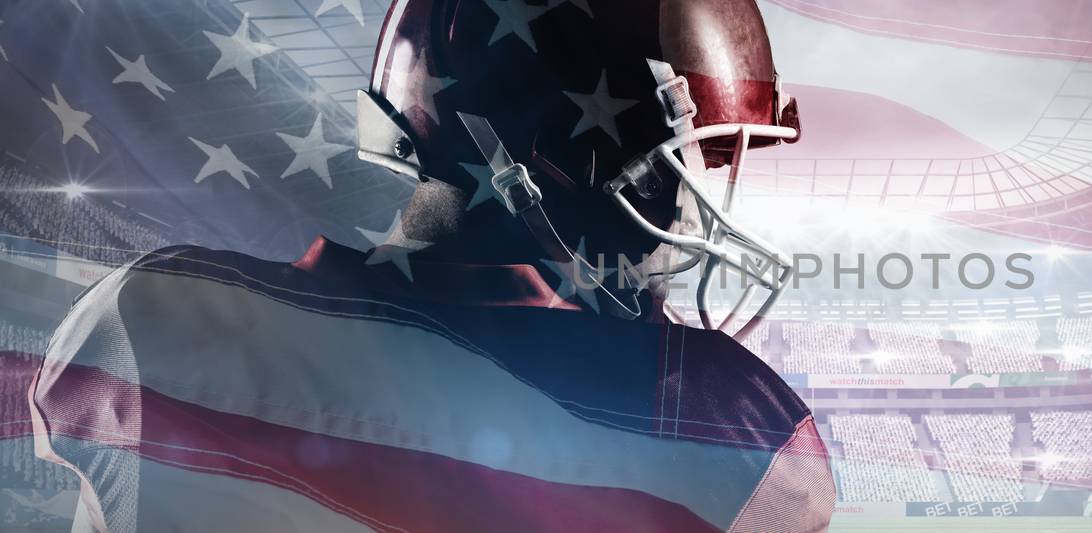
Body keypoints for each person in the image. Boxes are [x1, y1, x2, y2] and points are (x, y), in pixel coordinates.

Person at [28, 0, 833, 531]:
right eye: (674, 170)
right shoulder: (714, 428)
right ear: (531, 159)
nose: (690, 218)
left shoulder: (162, 317)